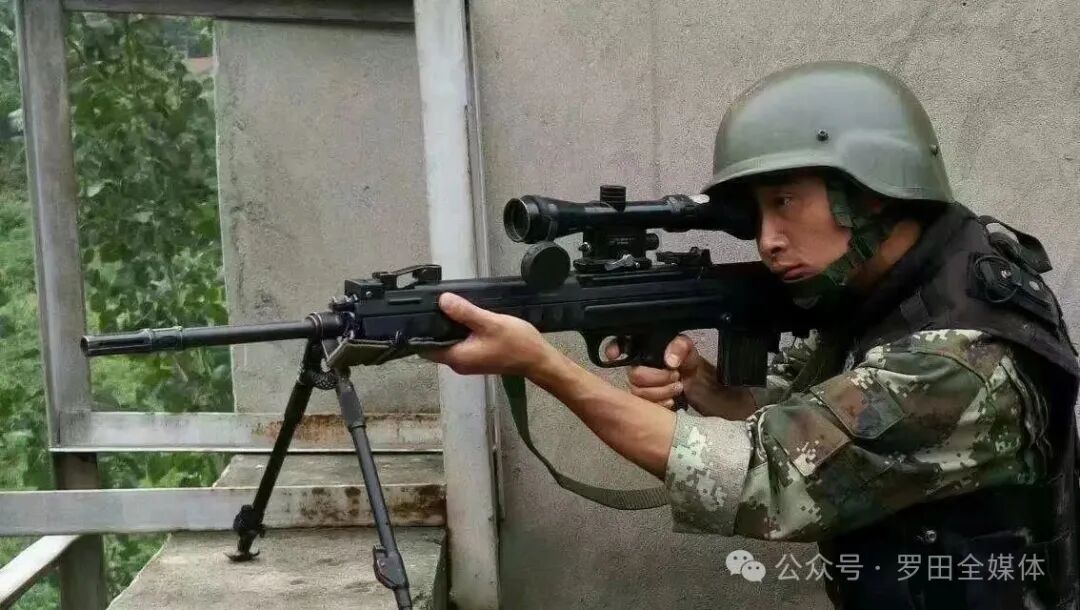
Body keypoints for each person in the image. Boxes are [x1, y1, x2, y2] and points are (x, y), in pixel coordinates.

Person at [424, 62, 1079, 608]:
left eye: (785, 202)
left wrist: (543, 365)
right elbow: (817, 415)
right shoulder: (906, 282)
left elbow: (763, 478)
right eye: (756, 212)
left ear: (872, 190)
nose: (767, 240)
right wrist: (709, 388)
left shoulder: (956, 358)